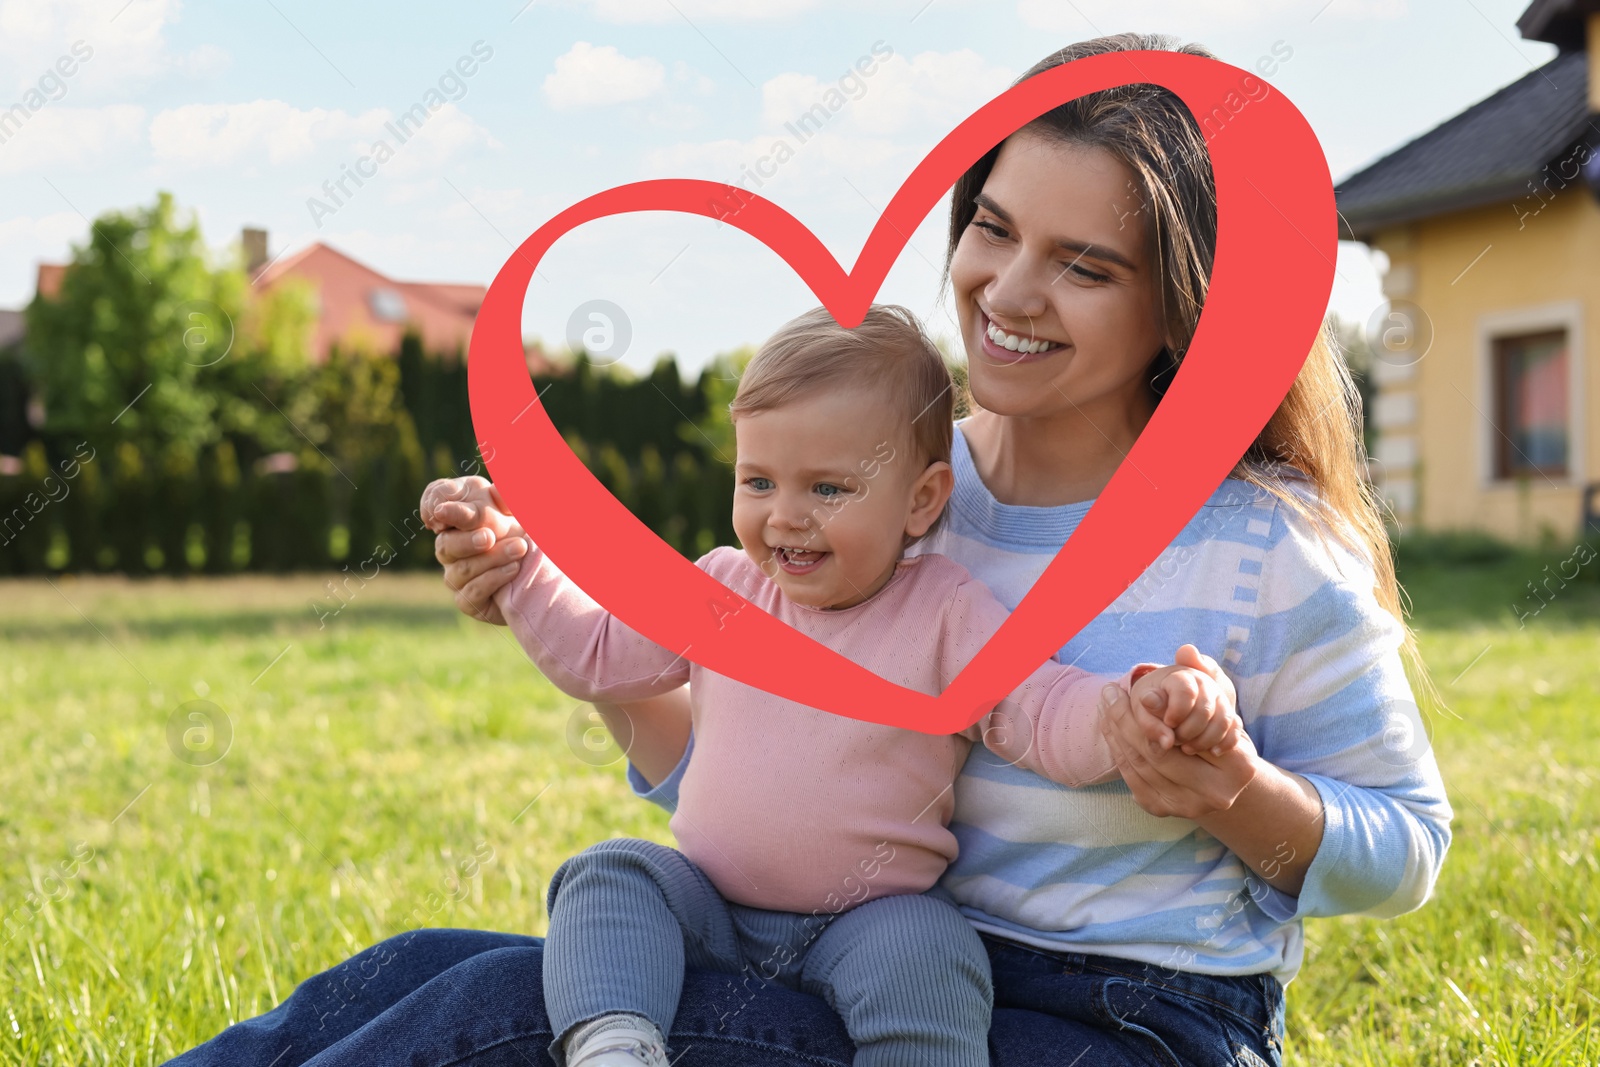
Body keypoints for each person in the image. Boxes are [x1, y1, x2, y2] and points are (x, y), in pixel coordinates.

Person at [166, 31, 1452, 1067]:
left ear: (1184, 306)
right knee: (421, 965)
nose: (1006, 290)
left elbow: (1405, 847)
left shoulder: (1262, 549)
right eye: (994, 228)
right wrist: (548, 615)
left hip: (1123, 1021)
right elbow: (770, 778)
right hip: (860, 946)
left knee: (500, 1010)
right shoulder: (885, 487)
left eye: (1083, 265)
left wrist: (1231, 788)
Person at [480, 302, 1239, 1067]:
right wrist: (517, 569)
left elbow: (1041, 712)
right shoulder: (724, 590)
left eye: (828, 490)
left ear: (921, 499)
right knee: (609, 875)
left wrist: (1131, 709)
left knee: (932, 955)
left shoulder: (944, 612)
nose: (786, 517)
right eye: (759, 481)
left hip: (871, 916)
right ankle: (614, 1043)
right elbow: (597, 655)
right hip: (708, 903)